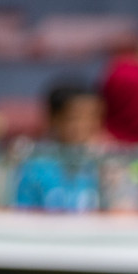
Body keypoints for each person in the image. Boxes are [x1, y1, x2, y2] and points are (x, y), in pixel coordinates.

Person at [14, 80, 102, 212]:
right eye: (74, 118)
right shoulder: (35, 167)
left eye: (90, 118)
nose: (83, 126)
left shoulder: (102, 165)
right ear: (53, 118)